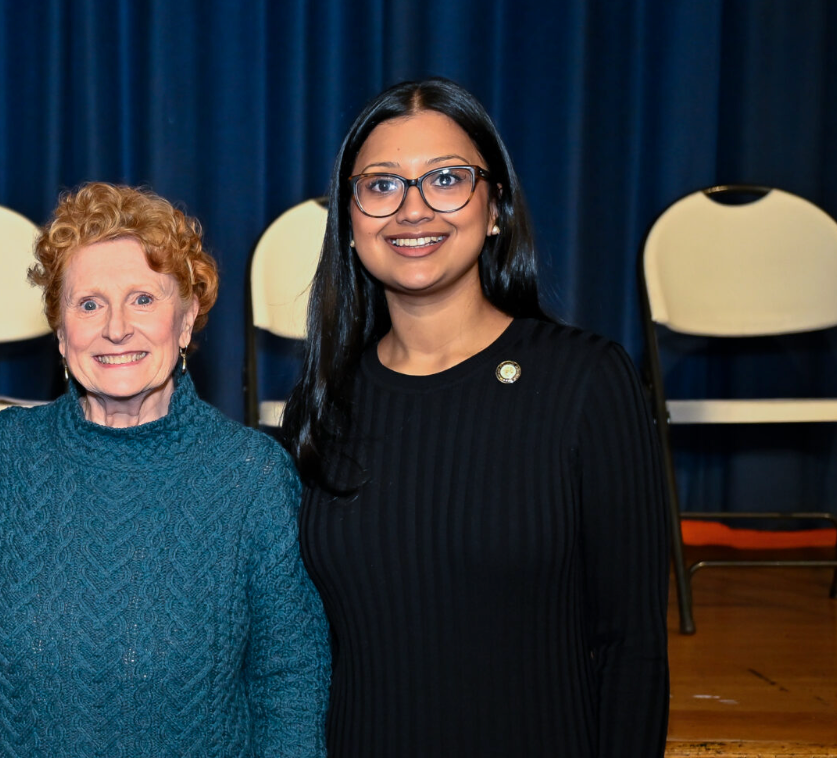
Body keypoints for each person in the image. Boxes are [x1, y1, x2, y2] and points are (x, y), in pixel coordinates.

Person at [282, 78, 669, 757]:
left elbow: (630, 647)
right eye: (380, 186)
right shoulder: (323, 401)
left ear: (495, 209)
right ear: (348, 221)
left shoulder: (585, 382)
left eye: (447, 179)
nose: (412, 208)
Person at [0, 182, 329, 758]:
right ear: (60, 331)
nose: (117, 328)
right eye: (89, 303)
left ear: (185, 321)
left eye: (144, 299)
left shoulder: (251, 478)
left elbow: (291, 683)